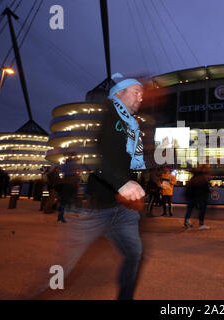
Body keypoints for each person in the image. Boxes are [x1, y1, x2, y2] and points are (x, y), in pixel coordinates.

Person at [53, 73, 147, 300]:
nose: (141, 98)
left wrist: (136, 182)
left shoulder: (131, 125)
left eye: (142, 94)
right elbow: (88, 153)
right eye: (136, 93)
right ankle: (38, 291)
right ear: (119, 94)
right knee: (65, 262)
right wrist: (121, 183)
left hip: (123, 208)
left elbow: (128, 161)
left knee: (134, 253)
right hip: (97, 207)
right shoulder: (102, 114)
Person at [184, 165, 211, 230]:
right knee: (202, 209)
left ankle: (186, 221)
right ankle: (201, 224)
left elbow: (188, 188)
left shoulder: (193, 178)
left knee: (190, 209)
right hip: (201, 196)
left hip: (192, 196)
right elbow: (206, 188)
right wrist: (208, 192)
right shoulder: (202, 178)